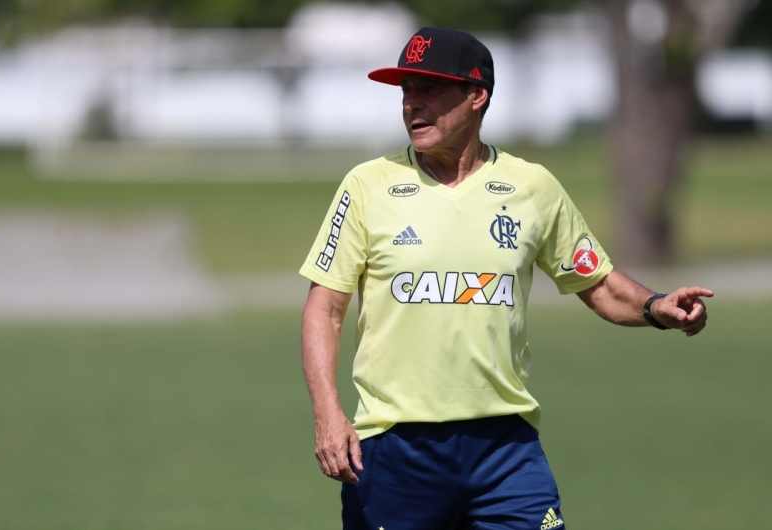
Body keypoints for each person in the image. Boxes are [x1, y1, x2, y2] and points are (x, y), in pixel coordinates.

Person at [300, 27, 712, 530]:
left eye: (429, 88)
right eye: (406, 90)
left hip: (506, 448)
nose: (412, 103)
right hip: (395, 446)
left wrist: (657, 308)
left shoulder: (531, 187)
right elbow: (325, 308)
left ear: (477, 95)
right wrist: (328, 414)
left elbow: (599, 285)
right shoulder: (368, 185)